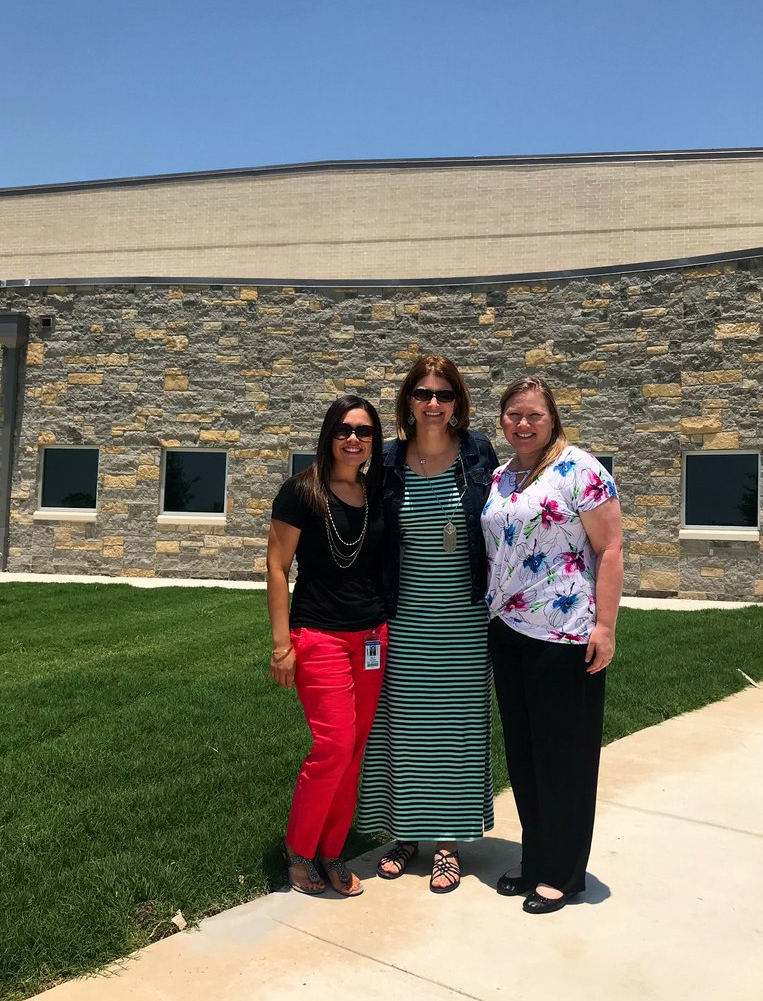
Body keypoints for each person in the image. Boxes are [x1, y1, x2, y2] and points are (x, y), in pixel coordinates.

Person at [482, 375, 623, 915]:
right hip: (509, 630)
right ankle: (536, 856)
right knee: (524, 751)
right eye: (514, 415)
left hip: (565, 632)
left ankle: (564, 873)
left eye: (533, 415)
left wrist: (605, 627)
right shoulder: (501, 476)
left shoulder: (580, 470)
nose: (523, 423)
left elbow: (610, 548)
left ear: (552, 419)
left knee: (564, 754)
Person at [357, 356, 498, 893]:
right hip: (406, 617)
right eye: (423, 393)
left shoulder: (478, 452)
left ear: (458, 402)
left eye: (443, 394)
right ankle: (404, 835)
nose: (433, 404)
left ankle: (447, 843)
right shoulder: (388, 460)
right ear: (408, 402)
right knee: (405, 730)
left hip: (464, 619)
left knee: (456, 733)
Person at [266, 394, 387, 897]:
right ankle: (299, 849)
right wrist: (280, 646)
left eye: (363, 431)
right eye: (343, 429)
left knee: (353, 752)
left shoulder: (377, 491)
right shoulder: (300, 492)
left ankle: (332, 849)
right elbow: (276, 566)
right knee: (332, 745)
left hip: (372, 637)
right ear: (328, 435)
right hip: (318, 635)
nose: (353, 439)